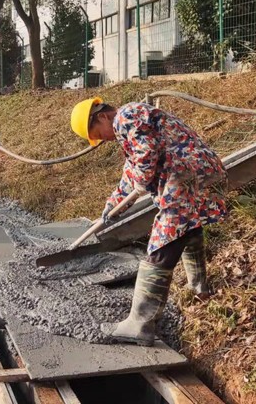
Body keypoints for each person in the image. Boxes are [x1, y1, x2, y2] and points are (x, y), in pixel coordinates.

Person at [70, 97, 227, 346]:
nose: (103, 139)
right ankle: (199, 288)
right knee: (189, 228)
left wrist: (143, 179)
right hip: (193, 173)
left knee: (164, 240)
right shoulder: (128, 129)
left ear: (101, 117)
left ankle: (139, 324)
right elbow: (131, 172)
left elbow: (146, 153)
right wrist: (113, 205)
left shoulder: (127, 116)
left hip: (184, 176)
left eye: (98, 134)